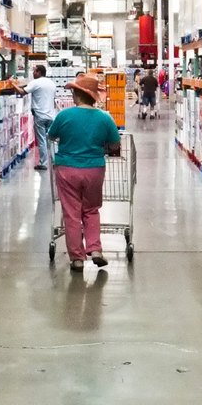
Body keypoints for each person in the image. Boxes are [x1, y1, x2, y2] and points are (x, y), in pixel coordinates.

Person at [48, 74, 121, 272]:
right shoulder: (104, 118)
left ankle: (77, 259)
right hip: (94, 169)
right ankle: (95, 249)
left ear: (78, 94)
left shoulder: (64, 115)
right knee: (91, 210)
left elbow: (51, 135)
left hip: (67, 169)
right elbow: (115, 143)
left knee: (72, 214)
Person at [11, 65, 56, 171]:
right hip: (51, 115)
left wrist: (12, 83)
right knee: (51, 140)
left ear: (39, 72)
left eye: (34, 71)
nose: (33, 73)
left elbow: (22, 92)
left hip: (40, 116)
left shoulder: (36, 82)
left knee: (42, 141)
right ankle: (55, 161)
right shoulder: (51, 83)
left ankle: (43, 163)